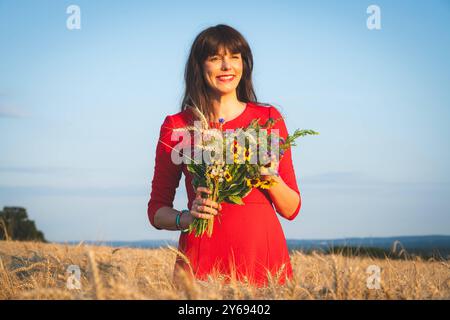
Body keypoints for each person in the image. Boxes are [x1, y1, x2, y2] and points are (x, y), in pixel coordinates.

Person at [147, 24, 301, 287]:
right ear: (199, 66)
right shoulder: (177, 126)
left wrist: (268, 176)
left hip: (262, 259)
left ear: (244, 64)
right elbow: (156, 210)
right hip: (201, 260)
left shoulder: (268, 120)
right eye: (215, 58)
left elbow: (291, 208)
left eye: (234, 57)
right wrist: (187, 218)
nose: (227, 66)